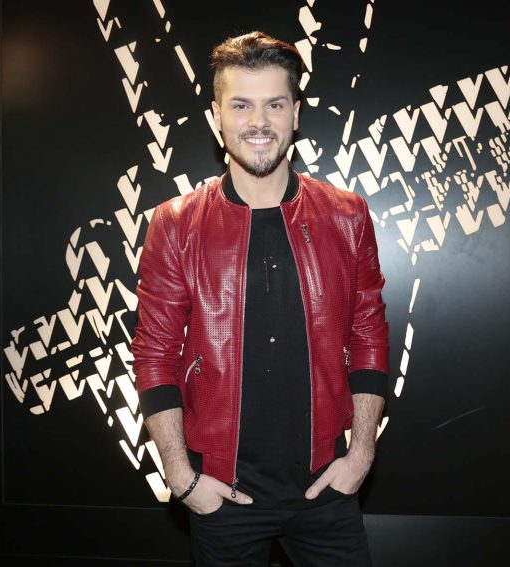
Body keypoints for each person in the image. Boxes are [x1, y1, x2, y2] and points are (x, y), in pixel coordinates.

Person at [130, 30, 390, 566]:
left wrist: (361, 453)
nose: (259, 122)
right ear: (216, 117)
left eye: (274, 104)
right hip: (221, 493)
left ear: (296, 113)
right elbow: (155, 352)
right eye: (241, 105)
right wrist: (181, 477)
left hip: (327, 485)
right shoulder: (175, 224)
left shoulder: (347, 215)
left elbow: (369, 333)